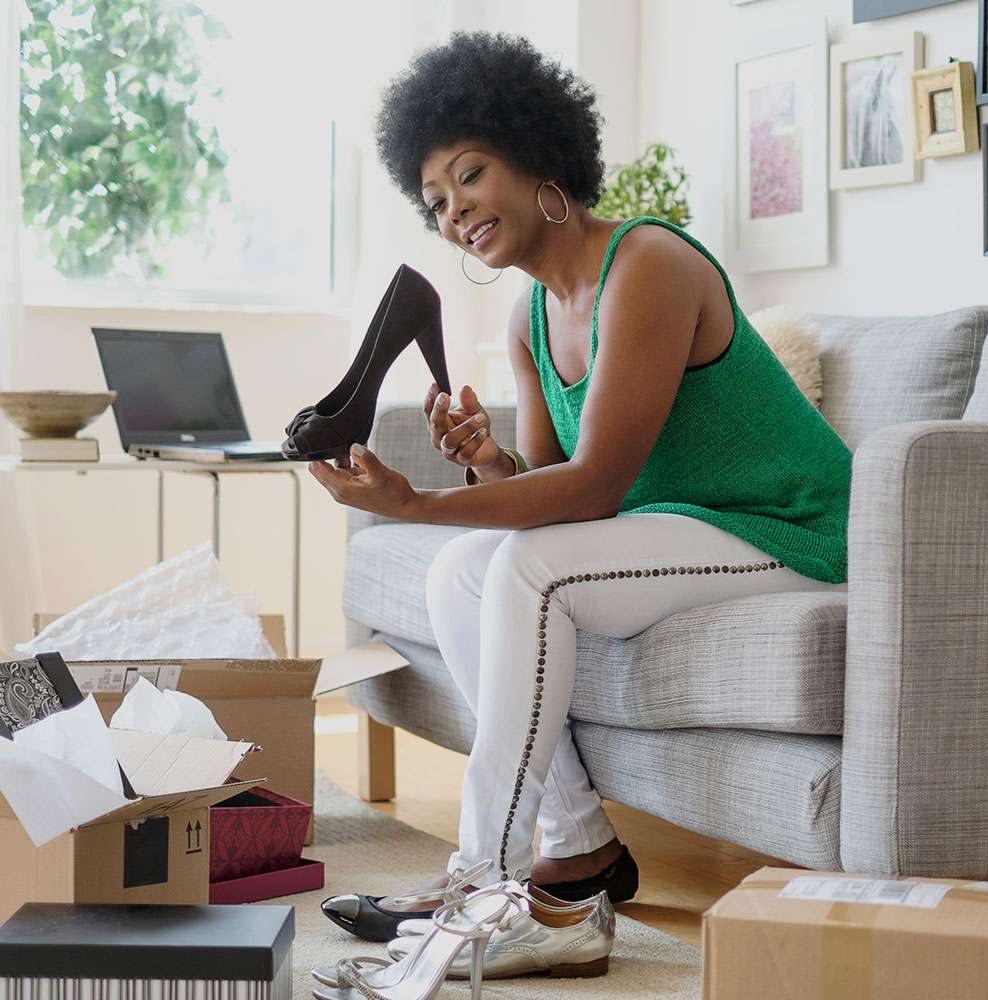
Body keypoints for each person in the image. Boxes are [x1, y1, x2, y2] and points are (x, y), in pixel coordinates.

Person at [310, 30, 852, 928]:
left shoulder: (648, 265)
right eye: (435, 200)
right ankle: (579, 844)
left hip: (791, 528)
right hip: (687, 525)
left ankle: (476, 877)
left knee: (525, 569)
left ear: (535, 156)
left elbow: (594, 490)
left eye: (471, 175)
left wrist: (415, 503)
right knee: (463, 569)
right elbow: (554, 483)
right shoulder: (532, 314)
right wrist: (485, 460)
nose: (454, 213)